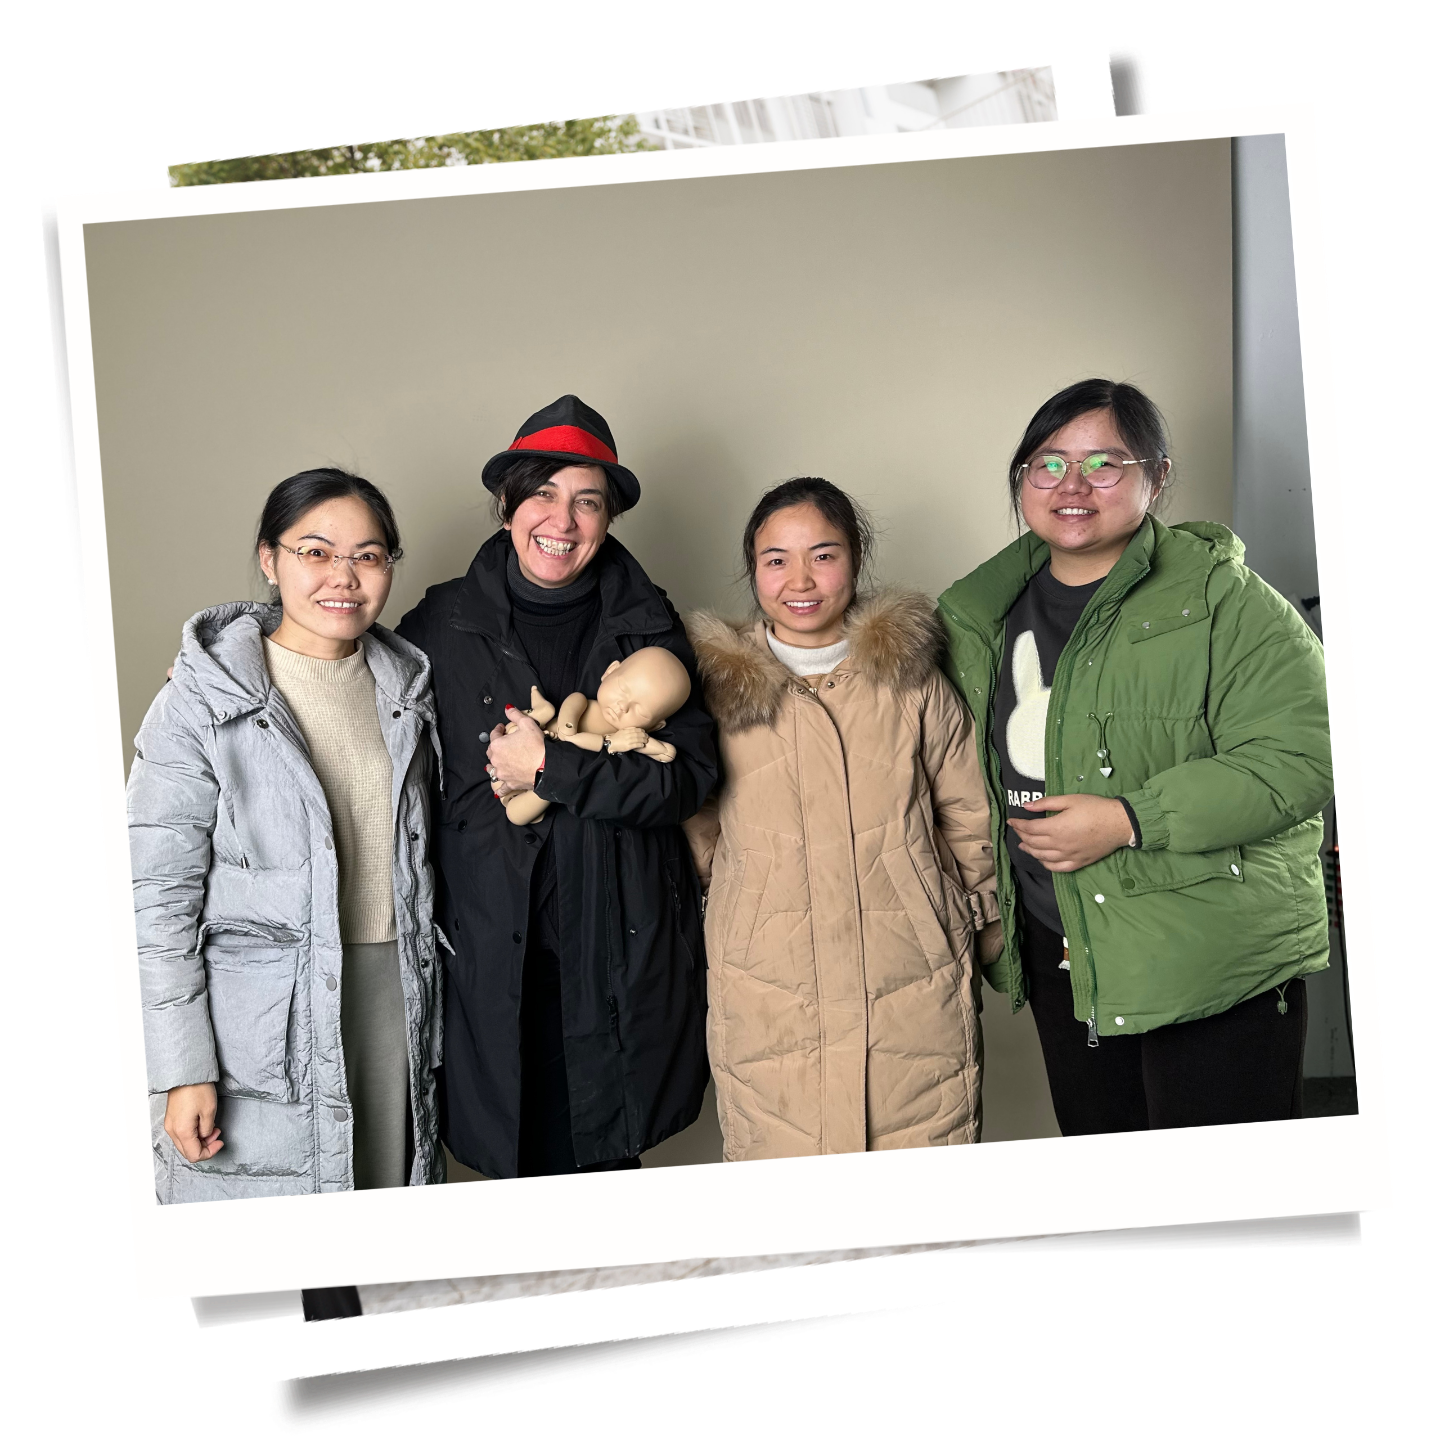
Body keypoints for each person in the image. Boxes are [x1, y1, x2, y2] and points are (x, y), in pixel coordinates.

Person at [937, 378, 1333, 1134]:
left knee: (1231, 1215)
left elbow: (1304, 756)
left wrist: (1130, 819)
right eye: (1048, 464)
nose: (1073, 486)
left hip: (1214, 958)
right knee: (1116, 1203)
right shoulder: (978, 618)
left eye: (1105, 463)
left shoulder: (1226, 600)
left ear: (1158, 476)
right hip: (1067, 950)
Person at [396, 395, 716, 1178]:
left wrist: (552, 770)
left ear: (608, 521)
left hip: (615, 950)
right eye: (542, 493)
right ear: (506, 504)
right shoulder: (441, 623)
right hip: (489, 952)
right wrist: (248, 659)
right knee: (507, 1189)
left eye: (587, 502)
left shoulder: (650, 623)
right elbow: (340, 679)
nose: (562, 520)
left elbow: (690, 782)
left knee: (607, 1184)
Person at [129, 468, 444, 1202]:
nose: (344, 576)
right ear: (270, 560)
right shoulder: (201, 700)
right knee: (267, 1274)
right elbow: (154, 900)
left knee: (383, 1242)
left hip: (396, 994)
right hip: (258, 1022)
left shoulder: (412, 692)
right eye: (315, 552)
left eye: (368, 555)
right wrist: (181, 1068)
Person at [683, 478, 1001, 1160]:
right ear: (753, 570)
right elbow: (695, 824)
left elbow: (969, 815)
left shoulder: (913, 682)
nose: (800, 579)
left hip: (910, 974)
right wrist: (743, 905)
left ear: (855, 560)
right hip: (766, 977)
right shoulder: (710, 693)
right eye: (776, 559)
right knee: (789, 1213)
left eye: (822, 555)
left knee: (921, 1205)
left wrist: (957, 914)